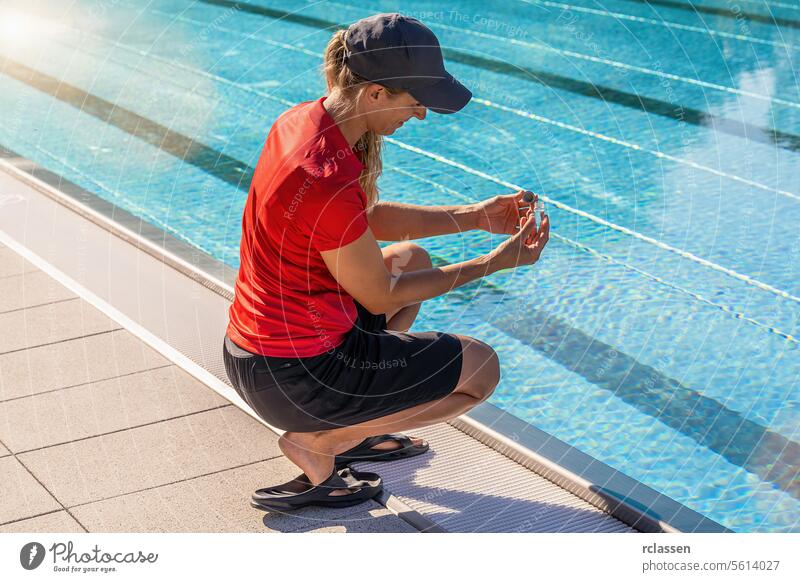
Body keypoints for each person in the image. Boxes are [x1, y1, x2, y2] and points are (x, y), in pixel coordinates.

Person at [222, 12, 550, 510]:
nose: (420, 114)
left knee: (409, 258)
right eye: (415, 100)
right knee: (481, 368)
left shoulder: (303, 123)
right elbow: (381, 296)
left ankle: (352, 426)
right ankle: (324, 441)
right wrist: (494, 262)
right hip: (297, 375)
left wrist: (475, 216)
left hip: (257, 352)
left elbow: (362, 220)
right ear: (375, 93)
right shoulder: (325, 175)